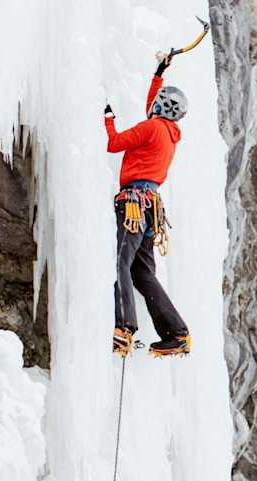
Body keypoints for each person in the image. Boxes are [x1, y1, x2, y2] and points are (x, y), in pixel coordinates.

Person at [105, 53, 190, 358]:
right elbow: (152, 107)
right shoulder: (167, 133)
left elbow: (114, 144)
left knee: (120, 263)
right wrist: (158, 73)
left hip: (132, 204)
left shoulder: (152, 128)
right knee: (143, 273)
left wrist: (107, 119)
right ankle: (175, 333)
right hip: (151, 207)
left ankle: (124, 327)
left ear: (161, 107)